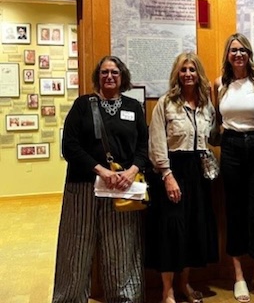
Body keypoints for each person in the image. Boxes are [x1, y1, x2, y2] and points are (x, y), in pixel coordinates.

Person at [52, 56, 147, 303]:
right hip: (83, 186)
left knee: (121, 248)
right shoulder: (83, 105)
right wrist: (101, 171)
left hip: (122, 189)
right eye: (104, 72)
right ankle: (69, 299)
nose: (109, 77)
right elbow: (69, 146)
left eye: (114, 72)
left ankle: (124, 298)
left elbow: (143, 146)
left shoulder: (134, 107)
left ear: (122, 77)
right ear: (98, 76)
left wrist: (130, 171)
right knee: (76, 247)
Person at [147, 52, 219, 303]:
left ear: (199, 74)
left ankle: (184, 284)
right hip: (172, 170)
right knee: (171, 230)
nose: (188, 74)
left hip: (197, 173)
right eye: (183, 69)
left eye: (192, 69)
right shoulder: (166, 103)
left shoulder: (206, 104)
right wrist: (167, 175)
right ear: (176, 74)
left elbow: (212, 136)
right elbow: (156, 142)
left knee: (191, 229)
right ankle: (167, 290)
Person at [213, 33, 254, 303]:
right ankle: (239, 275)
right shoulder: (218, 83)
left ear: (249, 54)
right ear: (228, 55)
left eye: (242, 50)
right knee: (234, 211)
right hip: (230, 147)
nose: (238, 54)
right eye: (233, 50)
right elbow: (217, 119)